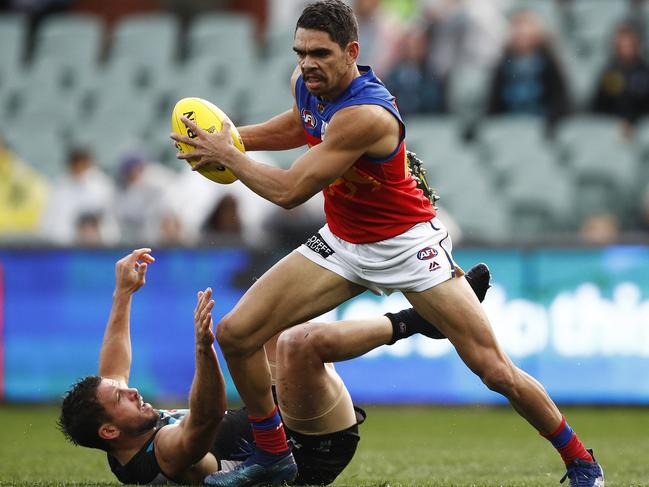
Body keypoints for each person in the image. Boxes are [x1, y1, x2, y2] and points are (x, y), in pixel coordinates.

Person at [170, 2, 604, 486]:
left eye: (319, 53)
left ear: (352, 51)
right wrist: (234, 140)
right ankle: (273, 454)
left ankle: (581, 460)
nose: (307, 63)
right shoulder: (308, 83)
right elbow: (300, 125)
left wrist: (227, 152)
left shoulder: (366, 115)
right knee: (235, 334)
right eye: (300, 52)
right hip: (344, 241)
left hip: (406, 247)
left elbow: (291, 192)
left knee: (494, 370)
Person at [58, 249, 493, 485]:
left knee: (261, 320)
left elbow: (112, 370)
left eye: (124, 390)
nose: (131, 390)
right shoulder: (163, 456)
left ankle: (393, 285)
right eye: (122, 398)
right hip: (306, 454)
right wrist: (203, 348)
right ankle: (418, 319)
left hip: (280, 425)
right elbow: (207, 415)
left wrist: (122, 294)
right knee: (300, 344)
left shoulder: (122, 435)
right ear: (109, 431)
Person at [486, 9, 570, 130]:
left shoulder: (549, 63)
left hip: (540, 125)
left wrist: (551, 121)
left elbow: (561, 100)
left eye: (525, 27)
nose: (521, 32)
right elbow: (494, 104)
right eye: (517, 27)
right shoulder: (504, 65)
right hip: (511, 127)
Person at [591, 23, 649, 125]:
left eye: (629, 45)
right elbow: (600, 105)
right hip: (613, 127)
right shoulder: (610, 73)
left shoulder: (643, 72)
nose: (626, 49)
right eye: (623, 45)